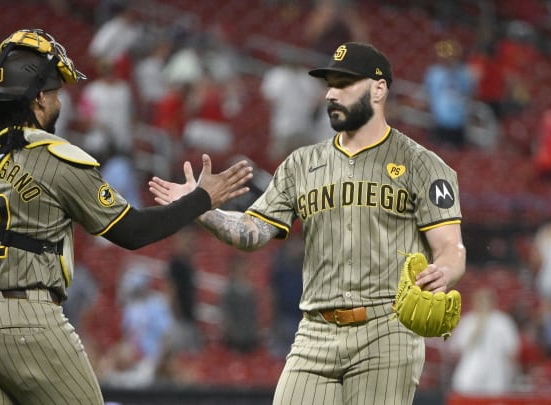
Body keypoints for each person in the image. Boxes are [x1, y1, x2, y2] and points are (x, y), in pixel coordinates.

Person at [0, 28, 253, 405]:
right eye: (56, 93)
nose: (59, 102)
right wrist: (202, 199)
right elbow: (131, 232)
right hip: (25, 318)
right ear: (39, 98)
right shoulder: (55, 159)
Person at [149, 41, 467, 405]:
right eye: (330, 83)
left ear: (379, 89)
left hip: (385, 330)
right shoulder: (301, 164)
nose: (331, 93)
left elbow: (450, 247)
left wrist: (443, 271)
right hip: (315, 332)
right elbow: (254, 231)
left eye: (345, 83)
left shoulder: (423, 165)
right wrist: (200, 208)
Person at [449, 287, 520, 395]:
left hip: (496, 373)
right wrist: (478, 328)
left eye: (485, 300)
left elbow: (512, 351)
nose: (482, 304)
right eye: (479, 300)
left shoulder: (503, 321)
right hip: (470, 372)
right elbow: (456, 350)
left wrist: (512, 374)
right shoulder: (467, 322)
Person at [423, 39, 476, 148]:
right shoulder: (434, 73)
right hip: (439, 119)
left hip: (459, 120)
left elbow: (469, 94)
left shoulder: (464, 74)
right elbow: (428, 93)